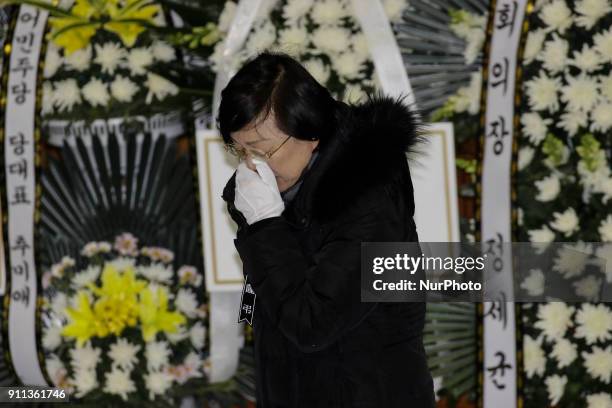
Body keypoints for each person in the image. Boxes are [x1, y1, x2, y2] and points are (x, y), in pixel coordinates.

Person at [219, 51, 435, 408]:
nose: (250, 165)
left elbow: (312, 324)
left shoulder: (371, 201)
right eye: (238, 149)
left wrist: (265, 228)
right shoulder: (276, 186)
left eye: (261, 150)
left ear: (311, 133)